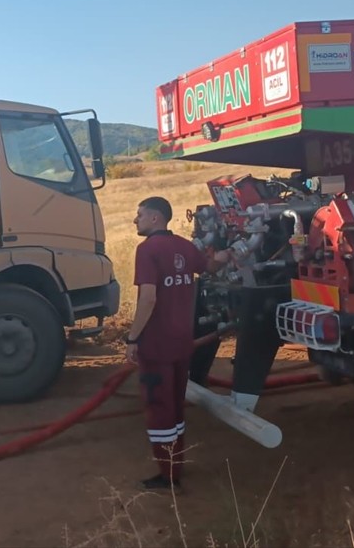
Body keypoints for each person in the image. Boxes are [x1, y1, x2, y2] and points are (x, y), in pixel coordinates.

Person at [124, 196, 228, 491]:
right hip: (183, 343)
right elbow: (210, 267)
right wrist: (229, 254)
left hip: (156, 345)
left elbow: (148, 297)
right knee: (176, 406)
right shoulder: (184, 246)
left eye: (140, 214)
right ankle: (176, 465)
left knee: (159, 407)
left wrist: (133, 337)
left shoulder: (147, 251)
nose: (136, 219)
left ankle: (167, 475)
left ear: (155, 218)